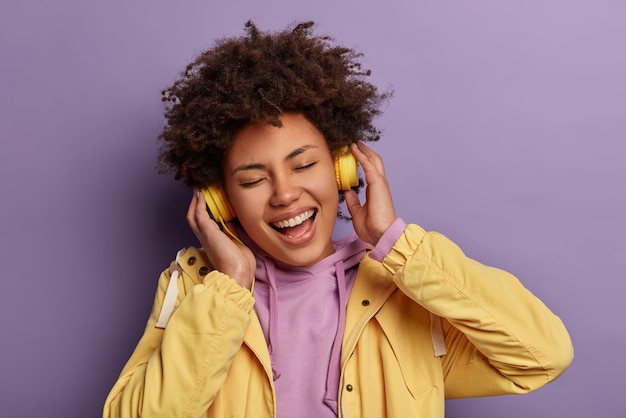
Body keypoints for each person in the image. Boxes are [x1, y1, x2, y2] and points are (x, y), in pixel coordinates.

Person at [103, 21, 573, 418]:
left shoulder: (397, 291)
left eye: (304, 165)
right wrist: (230, 288)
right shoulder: (194, 288)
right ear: (220, 200)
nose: (285, 193)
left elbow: (541, 356)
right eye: (252, 181)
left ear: (342, 168)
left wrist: (398, 244)